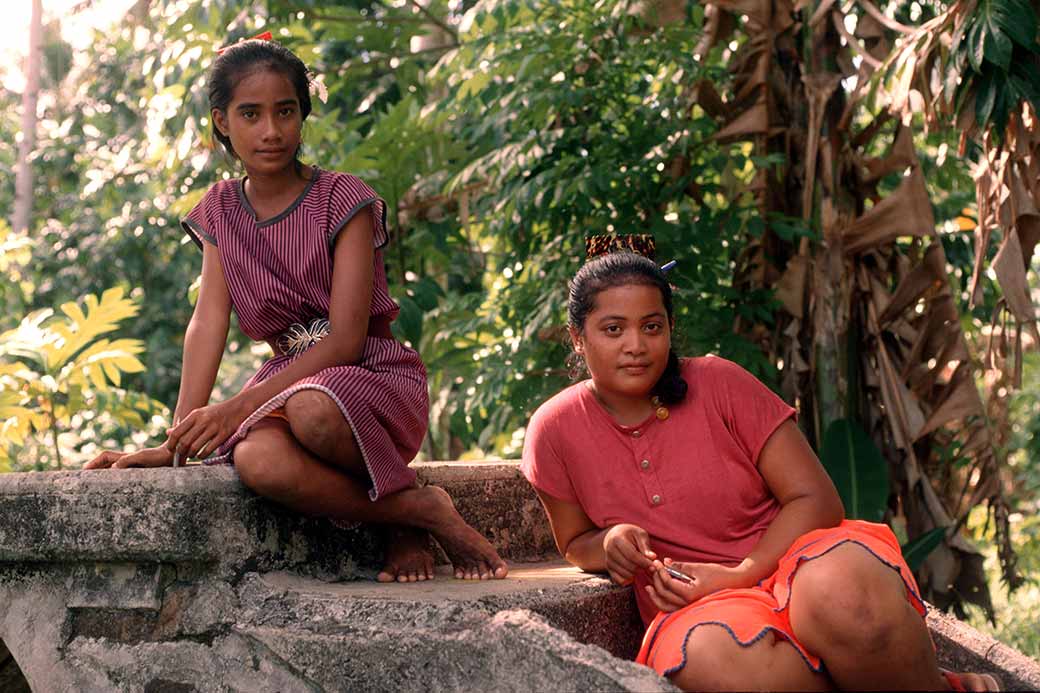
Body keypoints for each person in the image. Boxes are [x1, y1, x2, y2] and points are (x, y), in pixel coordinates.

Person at [86, 35, 507, 584]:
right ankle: (415, 509)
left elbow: (346, 340)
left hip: (370, 374)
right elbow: (207, 322)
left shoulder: (344, 199)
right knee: (257, 463)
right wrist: (176, 443)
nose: (271, 130)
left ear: (302, 115)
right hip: (285, 382)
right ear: (221, 121)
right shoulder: (219, 210)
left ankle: (402, 519)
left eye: (285, 111)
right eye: (251, 114)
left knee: (312, 410)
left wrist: (235, 409)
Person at [520, 242, 998, 691]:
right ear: (577, 338)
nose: (636, 345)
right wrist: (610, 543)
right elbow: (574, 543)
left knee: (844, 596)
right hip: (702, 603)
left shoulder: (718, 382)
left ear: (669, 328)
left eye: (652, 326)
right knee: (709, 662)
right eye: (613, 329)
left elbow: (816, 498)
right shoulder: (555, 430)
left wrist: (740, 572)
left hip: (798, 562)